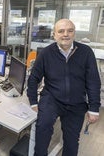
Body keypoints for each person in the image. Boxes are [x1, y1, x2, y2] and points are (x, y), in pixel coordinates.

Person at [27, 19, 101, 156]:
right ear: (54, 35)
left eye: (70, 31)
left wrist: (94, 108)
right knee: (42, 131)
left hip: (76, 102)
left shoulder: (86, 52)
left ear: (74, 34)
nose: (65, 34)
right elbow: (33, 79)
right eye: (61, 31)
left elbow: (93, 81)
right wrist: (33, 101)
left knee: (72, 142)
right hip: (51, 99)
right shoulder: (46, 53)